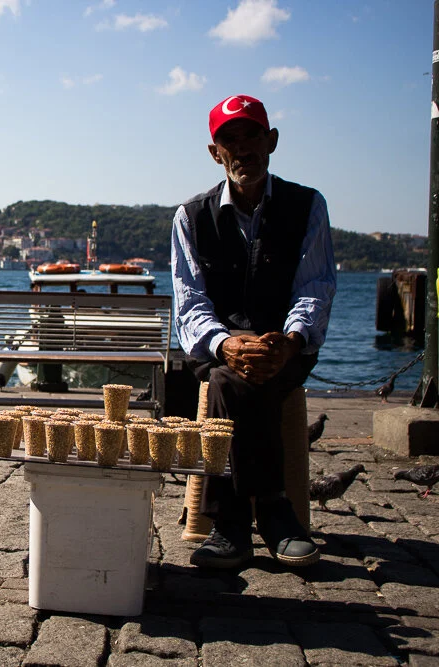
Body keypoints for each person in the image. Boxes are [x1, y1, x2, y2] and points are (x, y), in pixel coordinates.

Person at [170, 94, 336, 569]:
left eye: (251, 136)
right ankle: (275, 510)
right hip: (218, 345)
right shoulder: (191, 217)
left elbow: (316, 288)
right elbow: (191, 305)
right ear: (214, 152)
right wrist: (226, 342)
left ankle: (230, 525)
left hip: (286, 345)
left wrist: (290, 340)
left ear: (272, 141)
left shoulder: (307, 205)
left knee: (231, 382)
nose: (242, 148)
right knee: (228, 374)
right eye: (230, 139)